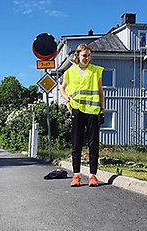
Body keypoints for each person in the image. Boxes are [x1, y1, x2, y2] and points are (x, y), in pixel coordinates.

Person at [60, 44, 105, 187]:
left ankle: (92, 176)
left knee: (93, 145)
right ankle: (76, 176)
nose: (87, 58)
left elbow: (100, 91)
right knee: (76, 144)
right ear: (78, 56)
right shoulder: (70, 72)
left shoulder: (96, 71)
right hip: (77, 110)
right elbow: (62, 87)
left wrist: (102, 110)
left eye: (89, 55)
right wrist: (66, 97)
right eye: (84, 55)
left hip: (93, 111)